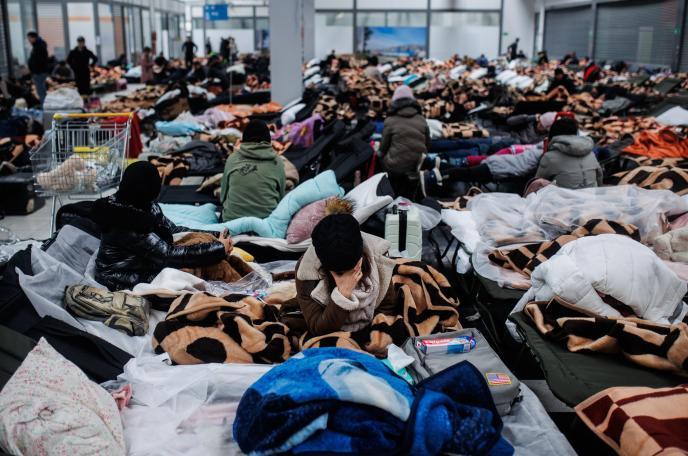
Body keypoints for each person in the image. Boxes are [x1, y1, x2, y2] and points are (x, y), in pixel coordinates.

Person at [92, 161, 233, 291]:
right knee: (186, 276)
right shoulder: (126, 221)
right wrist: (219, 249)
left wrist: (215, 236)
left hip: (143, 264)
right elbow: (168, 255)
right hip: (120, 278)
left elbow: (172, 229)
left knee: (199, 259)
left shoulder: (142, 203)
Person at [295, 212, 398, 336]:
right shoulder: (307, 273)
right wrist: (342, 295)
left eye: (354, 269)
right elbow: (317, 328)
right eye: (340, 273)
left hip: (369, 330)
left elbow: (387, 307)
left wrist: (371, 335)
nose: (350, 277)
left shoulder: (378, 256)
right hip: (334, 334)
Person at [220, 119, 286, 222]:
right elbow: (281, 197)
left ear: (244, 138)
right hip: (266, 222)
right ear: (268, 139)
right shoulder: (277, 162)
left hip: (232, 222)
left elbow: (223, 196)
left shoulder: (232, 158)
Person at [380, 85, 430, 199]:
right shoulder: (421, 119)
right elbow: (428, 143)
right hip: (417, 165)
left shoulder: (390, 120)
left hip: (395, 167)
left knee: (385, 161)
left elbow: (383, 148)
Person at [535, 116, 602, 189]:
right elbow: (599, 177)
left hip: (565, 199)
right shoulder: (590, 153)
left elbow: (537, 184)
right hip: (591, 197)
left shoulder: (549, 157)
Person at [26, 32, 49, 106]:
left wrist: (34, 69)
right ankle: (45, 105)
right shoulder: (39, 46)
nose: (29, 40)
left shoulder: (39, 47)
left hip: (39, 72)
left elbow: (38, 61)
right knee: (42, 90)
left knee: (41, 91)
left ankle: (44, 107)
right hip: (40, 72)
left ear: (34, 38)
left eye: (29, 38)